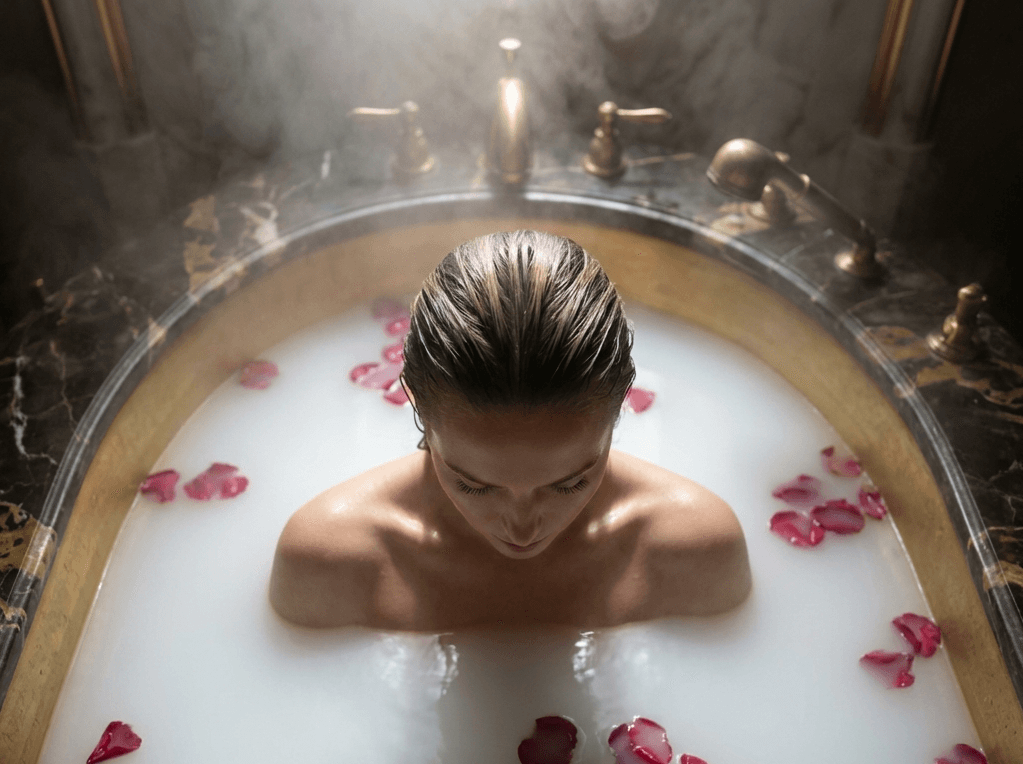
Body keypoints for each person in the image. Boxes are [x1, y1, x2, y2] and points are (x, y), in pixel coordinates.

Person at [269, 230, 751, 629]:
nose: (522, 526)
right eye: (474, 485)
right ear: (414, 400)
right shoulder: (332, 560)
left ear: (619, 406)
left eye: (569, 482)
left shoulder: (692, 552)